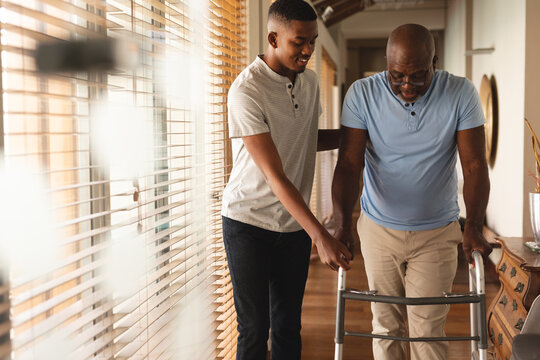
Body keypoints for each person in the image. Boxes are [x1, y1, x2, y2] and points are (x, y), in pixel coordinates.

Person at [331, 23, 493, 360]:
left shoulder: (460, 93)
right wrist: (344, 224)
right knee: (385, 327)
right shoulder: (362, 94)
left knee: (428, 331)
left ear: (434, 62)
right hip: (378, 229)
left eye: (418, 75)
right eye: (396, 76)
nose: (406, 85)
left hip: (437, 233)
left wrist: (474, 226)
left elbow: (475, 165)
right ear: (386, 66)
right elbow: (349, 164)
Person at [221, 1, 352, 359]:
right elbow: (275, 175)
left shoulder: (309, 83)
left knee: (287, 326)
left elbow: (306, 139)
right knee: (253, 329)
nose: (308, 50)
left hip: (292, 226)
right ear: (273, 38)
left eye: (312, 41)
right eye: (299, 42)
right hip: (248, 221)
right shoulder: (246, 91)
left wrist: (354, 137)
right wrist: (320, 235)